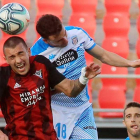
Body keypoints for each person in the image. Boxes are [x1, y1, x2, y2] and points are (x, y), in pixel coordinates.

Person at [30, 14, 140, 140]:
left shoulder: (77, 33)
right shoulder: (36, 56)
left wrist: (130, 63)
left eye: (64, 34)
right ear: (46, 40)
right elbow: (38, 91)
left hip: (82, 110)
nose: (65, 40)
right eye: (59, 40)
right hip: (56, 112)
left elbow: (104, 55)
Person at [0, 36, 100, 140]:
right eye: (12, 57)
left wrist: (83, 78)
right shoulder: (3, 75)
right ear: (6, 59)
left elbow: (70, 90)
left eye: (20, 53)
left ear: (28, 52)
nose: (18, 60)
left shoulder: (41, 64)